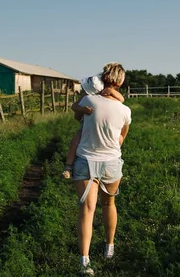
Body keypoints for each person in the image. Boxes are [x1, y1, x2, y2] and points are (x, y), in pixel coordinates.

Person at [72, 62, 131, 275]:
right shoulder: (125, 110)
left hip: (86, 161)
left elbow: (77, 117)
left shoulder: (88, 100)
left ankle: (84, 260)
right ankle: (109, 247)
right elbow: (122, 136)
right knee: (109, 203)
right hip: (111, 162)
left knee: (87, 210)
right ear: (121, 81)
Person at [62, 74, 125, 179]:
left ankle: (70, 166)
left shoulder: (90, 98)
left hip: (94, 125)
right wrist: (83, 110)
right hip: (86, 125)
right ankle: (68, 167)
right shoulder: (86, 98)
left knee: (76, 141)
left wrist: (111, 91)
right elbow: (74, 106)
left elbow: (121, 99)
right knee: (75, 141)